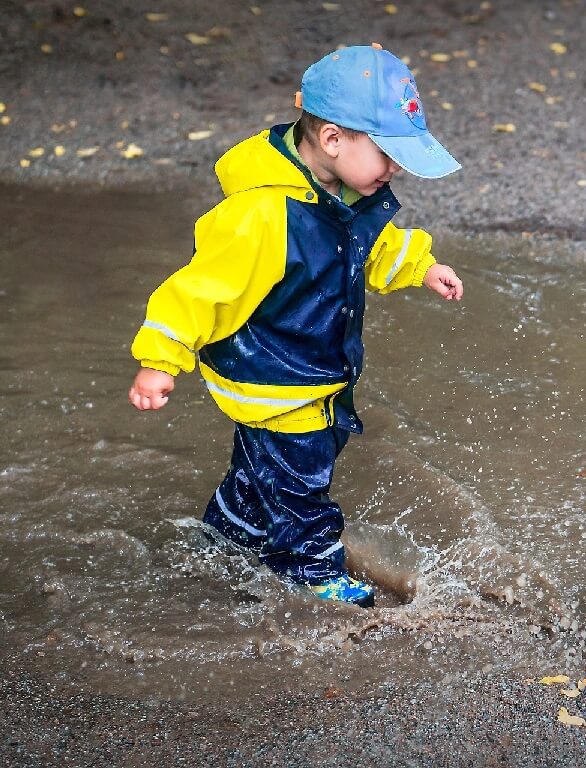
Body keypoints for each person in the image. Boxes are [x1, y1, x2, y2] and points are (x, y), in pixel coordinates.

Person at [127, 43, 463, 608]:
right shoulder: (261, 214)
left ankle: (224, 538)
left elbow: (366, 250)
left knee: (260, 471)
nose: (396, 169)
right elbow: (200, 288)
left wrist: (422, 267)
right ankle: (310, 574)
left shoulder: (342, 191)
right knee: (304, 487)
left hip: (297, 372)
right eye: (388, 153)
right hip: (280, 381)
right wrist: (159, 361)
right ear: (333, 139)